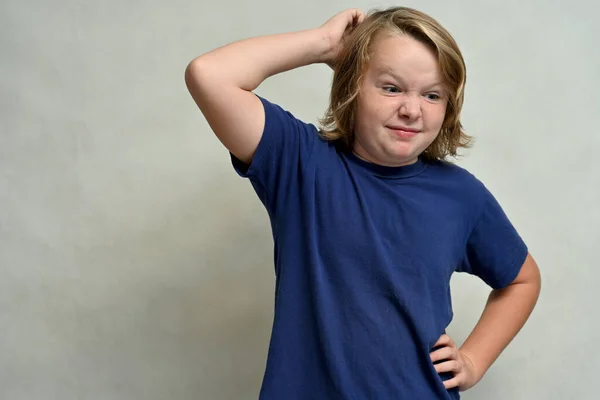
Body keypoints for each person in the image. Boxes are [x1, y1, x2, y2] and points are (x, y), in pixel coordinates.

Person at [185, 6, 541, 399]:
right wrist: (323, 45)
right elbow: (210, 75)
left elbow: (522, 279)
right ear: (351, 87)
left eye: (432, 95)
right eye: (391, 88)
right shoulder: (300, 163)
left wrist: (473, 360)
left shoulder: (462, 196)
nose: (411, 109)